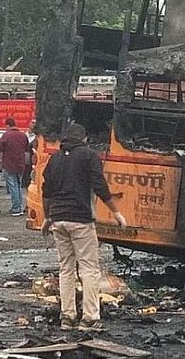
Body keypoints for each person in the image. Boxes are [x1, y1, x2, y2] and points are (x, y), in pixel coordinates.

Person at [42, 123, 127, 332]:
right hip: (80, 219)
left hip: (58, 219)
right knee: (89, 269)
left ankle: (67, 317)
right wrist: (116, 212)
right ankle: (89, 318)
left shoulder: (55, 158)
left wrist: (47, 217)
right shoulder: (89, 156)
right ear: (85, 138)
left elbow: (46, 190)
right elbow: (99, 185)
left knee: (66, 268)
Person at [0, 118, 28, 216]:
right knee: (18, 186)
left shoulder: (6, 135)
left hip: (9, 164)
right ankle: (20, 207)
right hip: (20, 164)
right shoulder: (23, 135)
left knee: (13, 186)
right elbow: (27, 148)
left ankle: (15, 208)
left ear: (7, 125)